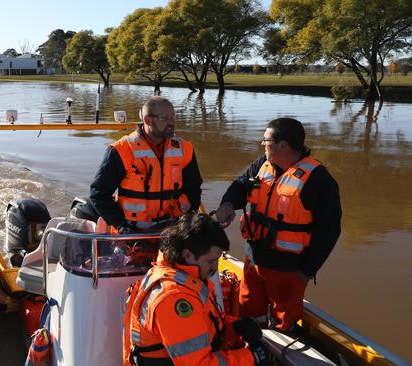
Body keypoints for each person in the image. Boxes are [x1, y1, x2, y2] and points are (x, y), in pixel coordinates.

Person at [215, 118, 342, 330]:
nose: (262, 145)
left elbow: (330, 230)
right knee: (248, 312)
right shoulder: (262, 166)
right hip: (254, 259)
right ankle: (252, 350)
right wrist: (228, 204)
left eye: (266, 141)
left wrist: (306, 271)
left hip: (288, 269)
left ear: (282, 145)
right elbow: (242, 185)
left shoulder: (318, 179)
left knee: (284, 322)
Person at [121, 213, 269, 366]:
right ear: (187, 254)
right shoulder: (175, 298)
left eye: (217, 261)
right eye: (211, 261)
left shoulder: (180, 276)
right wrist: (251, 358)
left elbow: (202, 326)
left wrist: (234, 327)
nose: (215, 268)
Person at [90, 96, 202, 234]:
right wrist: (121, 225)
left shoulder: (184, 148)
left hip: (174, 230)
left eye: (173, 117)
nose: (171, 123)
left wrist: (188, 221)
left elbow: (194, 189)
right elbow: (98, 193)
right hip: (132, 231)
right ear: (147, 120)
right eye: (164, 118)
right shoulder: (122, 150)